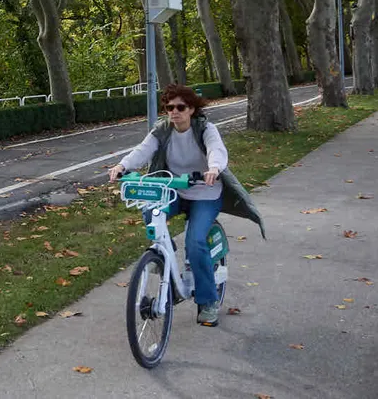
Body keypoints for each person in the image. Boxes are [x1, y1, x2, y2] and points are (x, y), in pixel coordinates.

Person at [107, 84, 265, 328]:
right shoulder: (162, 131)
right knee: (150, 208)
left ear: (191, 109)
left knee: (195, 243)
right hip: (174, 191)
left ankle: (207, 301)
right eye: (169, 107)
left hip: (205, 193)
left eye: (180, 107)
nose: (174, 112)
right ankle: (164, 251)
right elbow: (142, 151)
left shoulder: (205, 128)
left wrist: (213, 169)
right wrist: (122, 166)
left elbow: (216, 150)